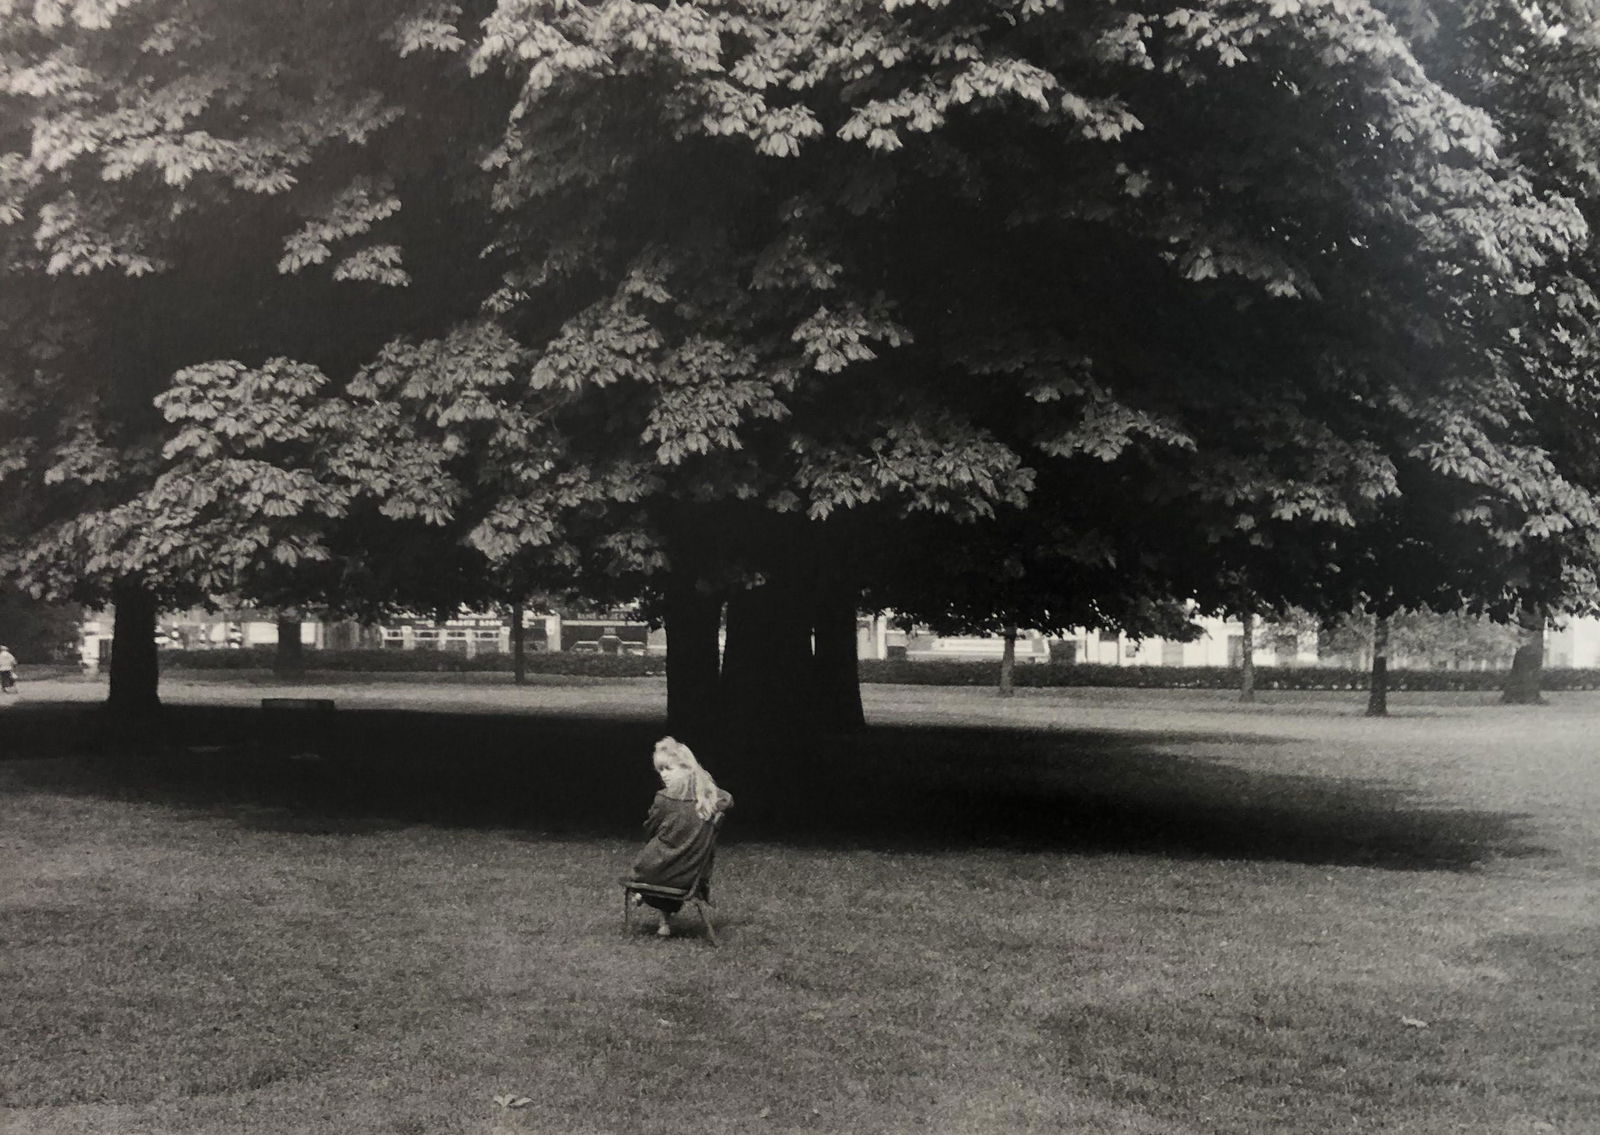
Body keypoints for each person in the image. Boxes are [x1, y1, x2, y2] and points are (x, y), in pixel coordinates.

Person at [628, 737, 733, 937]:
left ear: (686, 768)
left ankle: (643, 894)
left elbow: (649, 828)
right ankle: (663, 920)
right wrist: (705, 785)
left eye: (668, 768)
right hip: (692, 874)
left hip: (657, 873)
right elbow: (728, 799)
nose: (664, 775)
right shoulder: (710, 797)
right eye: (660, 770)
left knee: (656, 856)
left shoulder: (665, 799)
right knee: (670, 858)